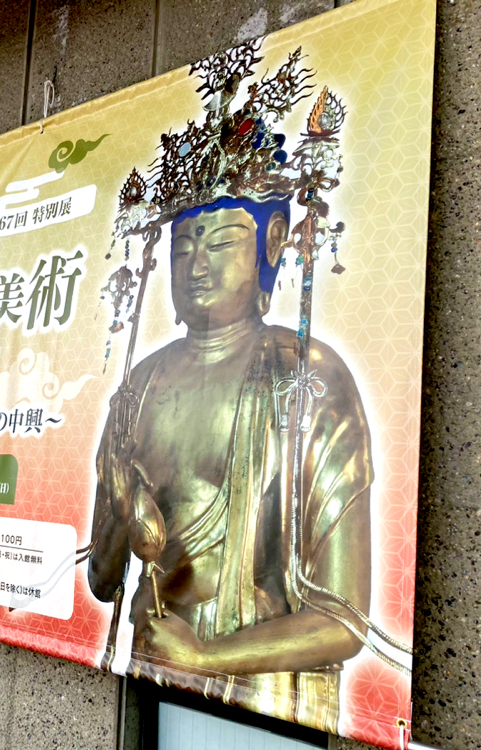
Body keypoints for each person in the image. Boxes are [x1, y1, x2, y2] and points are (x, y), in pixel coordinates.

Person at [87, 42, 373, 732]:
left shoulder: (308, 377)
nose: (196, 266)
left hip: (265, 696)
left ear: (272, 243)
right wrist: (124, 508)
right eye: (184, 246)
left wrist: (208, 655)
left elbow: (343, 619)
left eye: (220, 244)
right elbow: (102, 577)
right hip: (152, 671)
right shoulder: (140, 387)